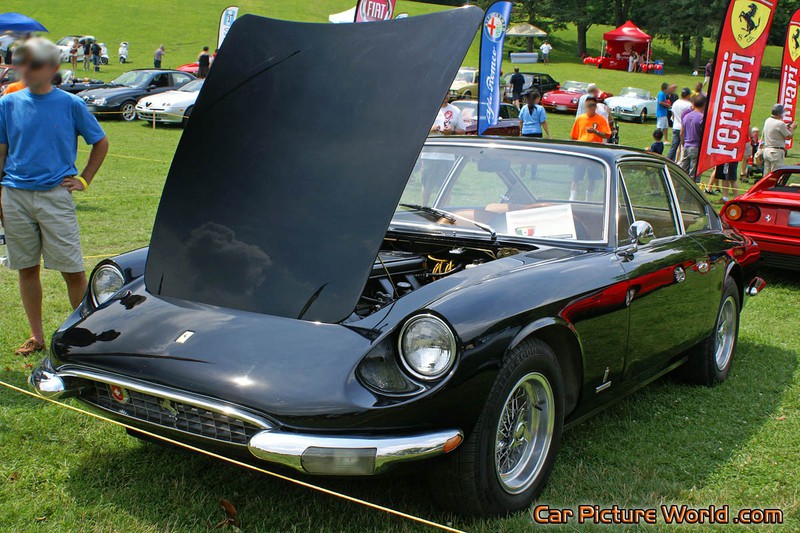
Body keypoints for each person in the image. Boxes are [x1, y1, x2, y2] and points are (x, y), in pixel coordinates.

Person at [0, 38, 109, 356]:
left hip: (54, 197)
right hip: (15, 195)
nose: (24, 70)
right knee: (26, 268)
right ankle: (37, 336)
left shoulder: (70, 104)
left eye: (32, 64)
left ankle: (84, 334)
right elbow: (2, 150)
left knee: (72, 270)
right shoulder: (8, 103)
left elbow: (100, 142)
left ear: (50, 68)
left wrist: (84, 180)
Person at [762, 104, 797, 174]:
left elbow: (776, 128)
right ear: (779, 113)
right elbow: (789, 136)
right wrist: (792, 128)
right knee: (776, 174)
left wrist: (786, 126)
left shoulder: (768, 120)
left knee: (766, 175)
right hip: (776, 152)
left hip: (767, 150)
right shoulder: (780, 124)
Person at [679, 94, 706, 183]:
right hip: (697, 147)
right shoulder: (702, 118)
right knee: (694, 174)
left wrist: (683, 144)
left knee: (683, 171)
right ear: (704, 105)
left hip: (687, 145)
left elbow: (681, 133)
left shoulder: (686, 116)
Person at [667, 87, 693, 161]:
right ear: (688, 95)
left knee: (673, 147)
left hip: (676, 126)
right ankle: (682, 162)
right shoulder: (689, 105)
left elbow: (673, 116)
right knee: (684, 147)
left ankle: (668, 161)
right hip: (684, 128)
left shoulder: (676, 102)